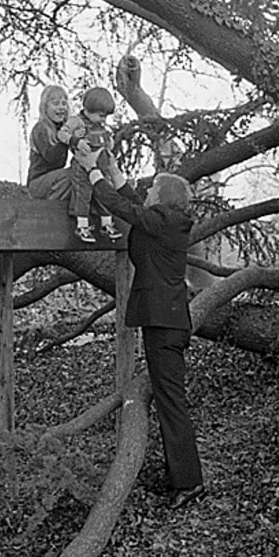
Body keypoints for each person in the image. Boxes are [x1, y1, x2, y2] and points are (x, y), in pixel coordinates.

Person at [75, 146, 205, 510]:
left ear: (163, 199)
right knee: (170, 401)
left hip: (165, 326)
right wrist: (114, 171)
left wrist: (92, 171)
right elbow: (134, 204)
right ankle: (180, 475)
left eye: (151, 190)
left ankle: (189, 482)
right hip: (166, 322)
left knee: (171, 403)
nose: (146, 191)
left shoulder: (162, 222)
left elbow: (124, 208)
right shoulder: (166, 221)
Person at [57, 86, 124, 243]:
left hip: (100, 165)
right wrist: (76, 141)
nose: (103, 120)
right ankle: (82, 226)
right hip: (83, 165)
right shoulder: (76, 121)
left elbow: (105, 141)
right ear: (89, 109)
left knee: (104, 193)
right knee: (83, 194)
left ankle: (107, 224)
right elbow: (62, 134)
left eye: (105, 117)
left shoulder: (100, 126)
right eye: (101, 115)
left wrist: (109, 144)